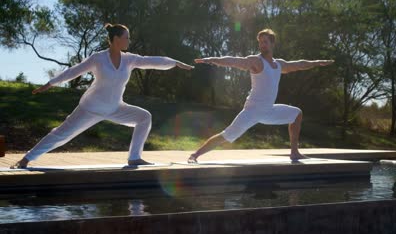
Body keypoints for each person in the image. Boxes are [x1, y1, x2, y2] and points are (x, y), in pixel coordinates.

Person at [11, 23, 194, 169]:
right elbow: (73, 71)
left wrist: (174, 63)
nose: (129, 41)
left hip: (115, 107)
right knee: (61, 134)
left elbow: (151, 61)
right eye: (126, 38)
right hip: (90, 108)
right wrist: (50, 83)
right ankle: (26, 159)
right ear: (115, 39)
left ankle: (134, 158)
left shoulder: (129, 59)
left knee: (144, 117)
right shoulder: (98, 58)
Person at [188, 29, 333, 163]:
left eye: (265, 42)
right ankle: (195, 155)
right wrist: (211, 60)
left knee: (296, 114)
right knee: (226, 135)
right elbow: (233, 61)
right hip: (252, 110)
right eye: (260, 42)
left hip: (268, 110)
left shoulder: (279, 65)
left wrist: (316, 63)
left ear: (272, 43)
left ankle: (294, 152)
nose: (262, 45)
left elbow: (298, 64)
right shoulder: (256, 61)